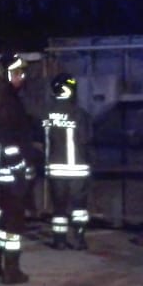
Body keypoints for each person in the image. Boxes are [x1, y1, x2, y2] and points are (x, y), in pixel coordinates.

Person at [0, 52, 38, 284]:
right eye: (17, 73)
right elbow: (8, 138)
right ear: (7, 74)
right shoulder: (7, 101)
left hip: (2, 168)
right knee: (14, 220)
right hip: (10, 169)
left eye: (22, 73)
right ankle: (11, 269)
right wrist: (19, 166)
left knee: (4, 217)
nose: (21, 77)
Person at [42, 72, 93, 250]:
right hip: (78, 169)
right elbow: (87, 139)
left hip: (55, 169)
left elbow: (39, 138)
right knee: (79, 207)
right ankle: (79, 238)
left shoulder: (46, 114)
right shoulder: (80, 114)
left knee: (59, 207)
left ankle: (59, 240)